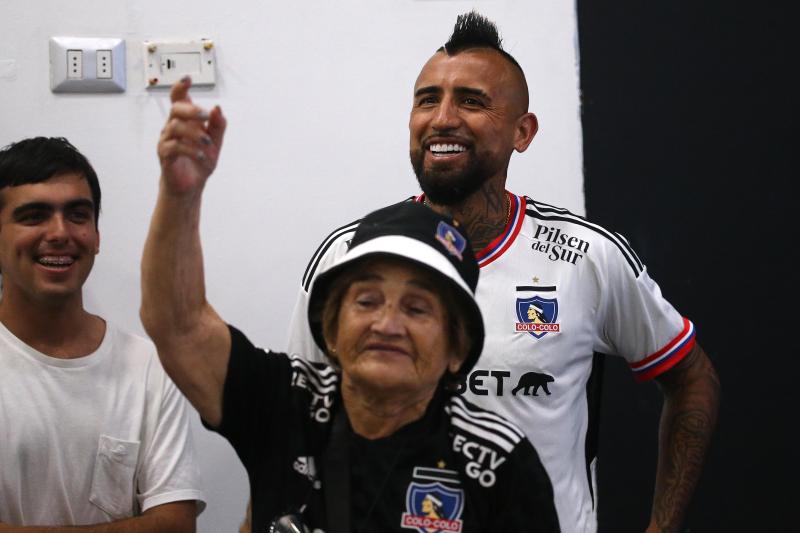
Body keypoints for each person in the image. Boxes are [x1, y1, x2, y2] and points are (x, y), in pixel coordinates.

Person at [287, 11, 721, 533]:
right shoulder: (349, 256)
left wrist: (662, 527)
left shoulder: (586, 257)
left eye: (470, 101)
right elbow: (292, 423)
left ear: (523, 131)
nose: (442, 118)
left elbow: (692, 378)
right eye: (428, 99)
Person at [140, 77, 561, 533]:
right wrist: (181, 195)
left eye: (417, 309)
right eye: (366, 299)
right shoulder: (287, 406)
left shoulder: (497, 461)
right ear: (332, 328)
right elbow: (177, 325)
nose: (387, 323)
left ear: (456, 348)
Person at [0, 137, 204, 531]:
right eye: (34, 216)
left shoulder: (149, 367)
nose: (60, 233)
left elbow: (176, 525)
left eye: (78, 215)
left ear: (96, 235)